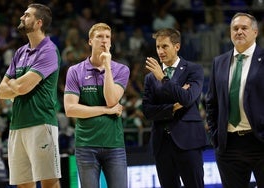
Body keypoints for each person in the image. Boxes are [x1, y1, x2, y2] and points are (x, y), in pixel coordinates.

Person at [0, 3, 61, 188]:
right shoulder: (20, 52)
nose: (21, 17)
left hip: (41, 123)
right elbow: (2, 91)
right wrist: (17, 86)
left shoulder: (49, 51)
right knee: (24, 184)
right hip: (17, 125)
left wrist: (15, 85)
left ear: (39, 22)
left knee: (49, 182)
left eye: (27, 15)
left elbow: (22, 87)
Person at [64, 23, 130, 188]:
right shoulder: (75, 71)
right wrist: (107, 111)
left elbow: (111, 100)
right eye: (99, 36)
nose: (104, 41)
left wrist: (107, 66)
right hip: (86, 145)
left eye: (107, 37)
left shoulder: (121, 69)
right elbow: (70, 109)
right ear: (90, 41)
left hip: (114, 145)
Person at [142, 28, 207, 188]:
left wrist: (163, 79)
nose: (160, 51)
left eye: (165, 46)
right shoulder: (150, 77)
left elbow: (187, 98)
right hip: (162, 144)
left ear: (176, 46)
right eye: (158, 47)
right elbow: (148, 111)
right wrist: (173, 107)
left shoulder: (194, 69)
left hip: (189, 141)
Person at [206, 12, 264, 188]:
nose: (239, 31)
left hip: (260, 141)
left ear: (255, 32)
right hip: (229, 145)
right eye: (235, 28)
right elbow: (211, 102)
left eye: (244, 28)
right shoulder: (219, 62)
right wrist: (216, 137)